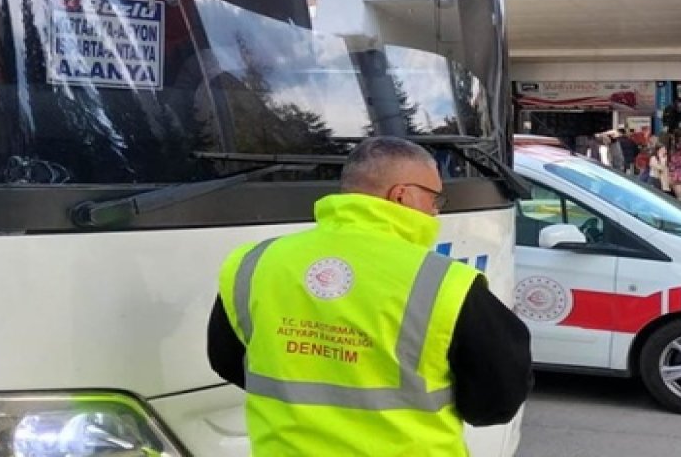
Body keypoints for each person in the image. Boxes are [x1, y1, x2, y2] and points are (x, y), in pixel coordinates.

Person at [207, 136, 532, 456]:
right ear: (402, 196)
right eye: (434, 199)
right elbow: (496, 401)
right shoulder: (445, 283)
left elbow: (227, 360)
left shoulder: (255, 262)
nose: (435, 212)